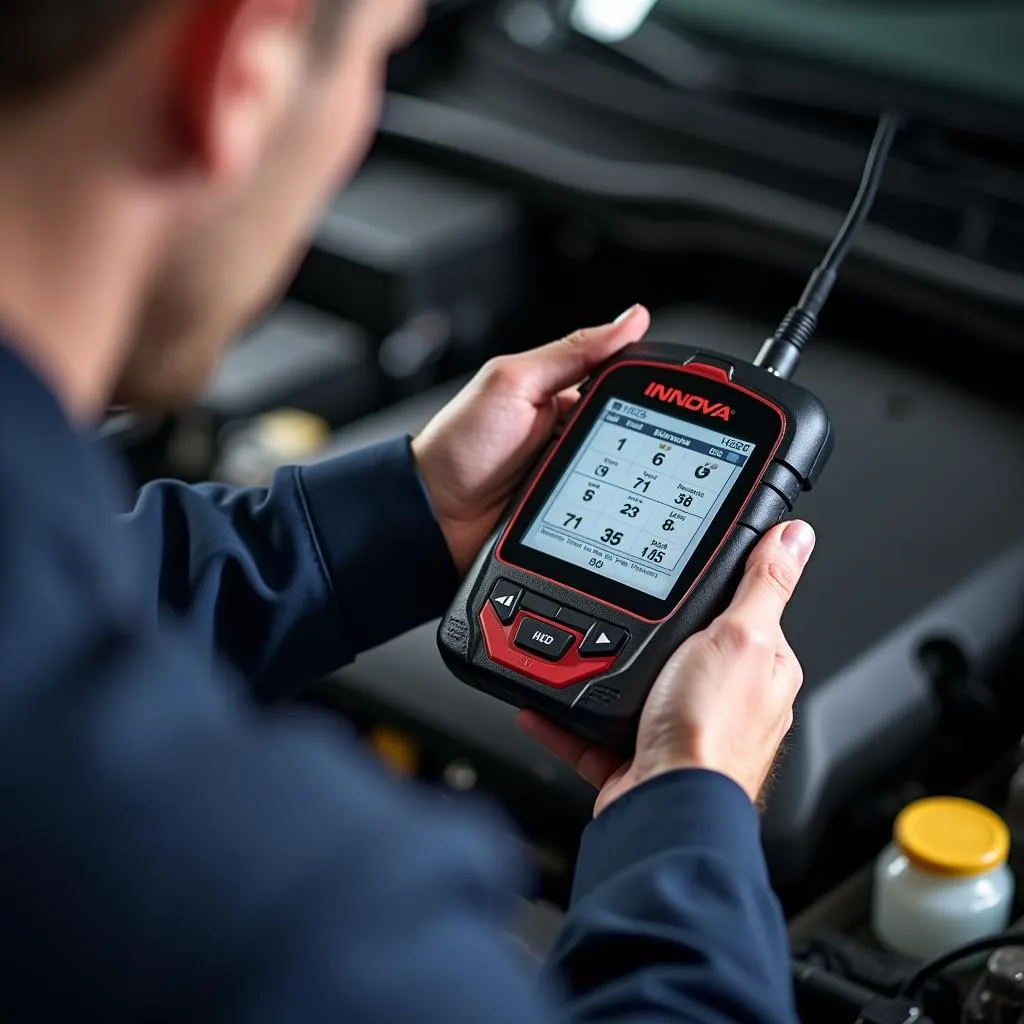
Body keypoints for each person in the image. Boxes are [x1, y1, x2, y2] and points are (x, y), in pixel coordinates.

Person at [0, 0, 816, 1020]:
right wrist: (694, 797)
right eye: (390, 54)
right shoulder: (276, 920)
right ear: (239, 60)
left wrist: (398, 516)